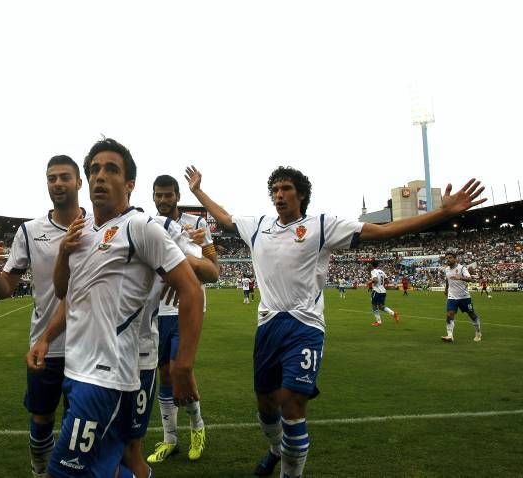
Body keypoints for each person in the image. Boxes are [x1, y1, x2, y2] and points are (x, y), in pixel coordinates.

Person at [183, 164, 484, 477]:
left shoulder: (323, 226)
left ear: (300, 194)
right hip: (268, 324)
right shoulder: (258, 225)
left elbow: (382, 231)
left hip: (305, 326)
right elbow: (224, 217)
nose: (279, 195)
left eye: (286, 189)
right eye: (275, 190)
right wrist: (197, 191)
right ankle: (275, 449)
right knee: (266, 404)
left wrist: (443, 213)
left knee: (293, 404)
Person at [27, 138, 204, 478]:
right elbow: (69, 294)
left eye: (111, 169)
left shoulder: (139, 226)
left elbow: (192, 290)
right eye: (94, 169)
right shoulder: (85, 233)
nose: (100, 176)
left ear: (130, 184)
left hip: (105, 379)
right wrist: (46, 337)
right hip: (76, 371)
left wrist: (182, 367)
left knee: (63, 473)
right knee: (112, 465)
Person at [0, 155, 85, 478]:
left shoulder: (98, 226)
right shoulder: (29, 231)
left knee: (80, 423)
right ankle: (40, 470)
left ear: (79, 182)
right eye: (52, 178)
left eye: (64, 177)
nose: (57, 183)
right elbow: (6, 289)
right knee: (42, 418)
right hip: (46, 346)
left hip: (88, 344)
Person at [147, 174, 217, 464]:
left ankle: (198, 427)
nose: (163, 200)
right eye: (158, 195)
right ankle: (170, 439)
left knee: (181, 371)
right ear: (152, 197)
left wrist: (195, 259)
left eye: (168, 195)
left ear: (177, 196)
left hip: (187, 306)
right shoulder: (150, 227)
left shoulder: (197, 224)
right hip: (158, 310)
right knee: (164, 373)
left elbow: (214, 269)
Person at [442, 252, 483, 343]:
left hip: (464, 297)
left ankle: (478, 332)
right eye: (447, 258)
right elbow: (447, 280)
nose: (448, 259)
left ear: (455, 259)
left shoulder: (462, 268)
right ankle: (450, 336)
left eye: (450, 257)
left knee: (471, 314)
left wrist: (460, 277)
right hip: (452, 296)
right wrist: (446, 289)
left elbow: (470, 279)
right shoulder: (446, 270)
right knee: (449, 314)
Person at [368, 260, 399, 327]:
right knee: (381, 307)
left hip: (376, 291)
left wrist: (370, 282)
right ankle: (393, 313)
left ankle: (378, 322)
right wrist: (382, 285)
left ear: (372, 265)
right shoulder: (382, 271)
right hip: (383, 291)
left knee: (374, 306)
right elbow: (387, 280)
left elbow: (375, 280)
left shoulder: (373, 271)